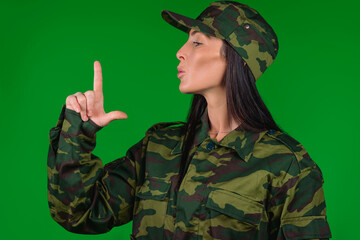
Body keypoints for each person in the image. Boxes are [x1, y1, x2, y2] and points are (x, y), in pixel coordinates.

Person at [47, 1, 332, 239]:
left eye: (197, 42)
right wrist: (78, 132)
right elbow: (80, 213)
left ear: (236, 59)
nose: (180, 52)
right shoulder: (159, 147)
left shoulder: (287, 165)